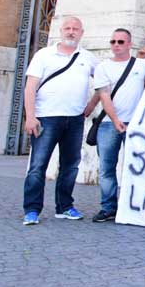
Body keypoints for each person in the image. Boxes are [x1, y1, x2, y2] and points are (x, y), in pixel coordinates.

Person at [21, 16, 99, 225]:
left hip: (74, 120)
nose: (71, 32)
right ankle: (32, 210)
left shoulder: (88, 58)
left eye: (75, 29)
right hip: (46, 117)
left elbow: (104, 83)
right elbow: (30, 87)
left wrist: (92, 104)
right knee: (38, 166)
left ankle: (64, 207)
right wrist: (30, 116)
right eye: (67, 28)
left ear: (81, 33)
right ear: (60, 30)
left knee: (70, 166)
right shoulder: (44, 55)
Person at [92, 28, 145, 222]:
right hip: (109, 124)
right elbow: (104, 95)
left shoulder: (142, 65)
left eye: (121, 42)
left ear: (129, 44)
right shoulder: (103, 67)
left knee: (137, 167)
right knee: (107, 168)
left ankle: (134, 206)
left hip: (136, 125)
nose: (116, 45)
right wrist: (116, 120)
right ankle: (108, 207)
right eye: (113, 41)